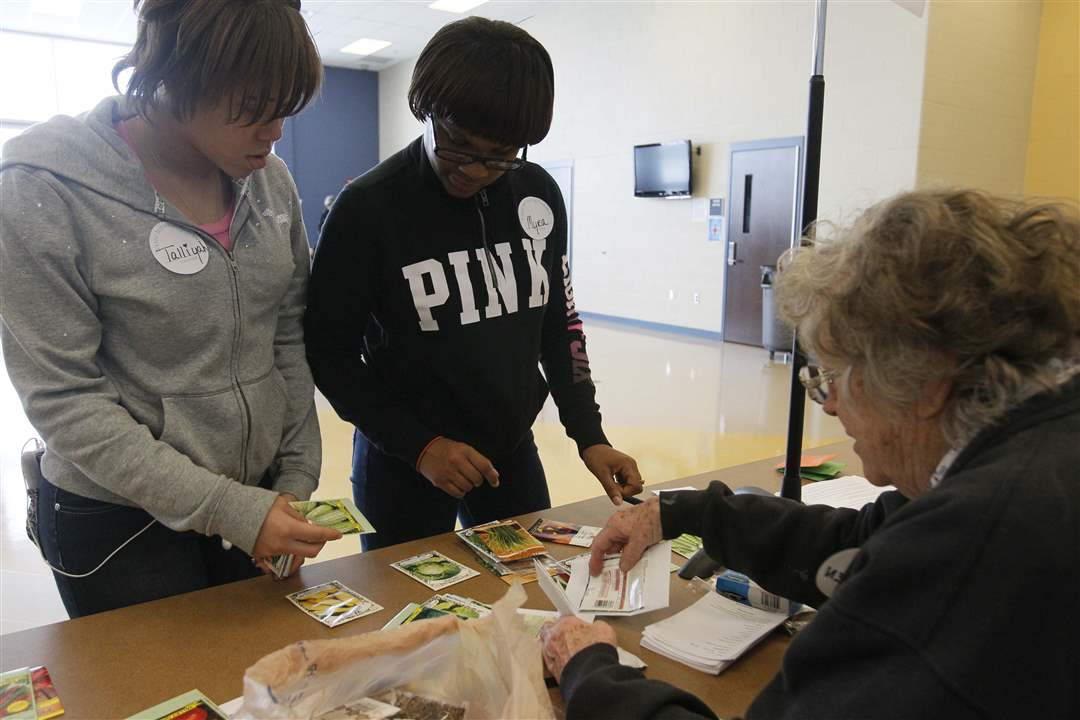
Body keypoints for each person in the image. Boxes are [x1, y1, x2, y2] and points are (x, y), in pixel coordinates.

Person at [539, 189, 1080, 719]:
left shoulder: (978, 539)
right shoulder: (1026, 447)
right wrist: (684, 512)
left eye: (838, 375)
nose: (832, 404)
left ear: (926, 381)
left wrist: (589, 673)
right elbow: (863, 545)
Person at [0, 0, 339, 618]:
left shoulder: (271, 180)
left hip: (256, 494)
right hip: (118, 519)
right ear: (178, 75)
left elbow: (286, 337)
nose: (276, 131)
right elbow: (65, 400)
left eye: (286, 110)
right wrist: (233, 511)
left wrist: (293, 481)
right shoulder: (42, 186)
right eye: (257, 109)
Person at [305, 17, 643, 550]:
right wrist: (420, 447)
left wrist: (590, 435)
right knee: (413, 613)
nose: (475, 170)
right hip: (406, 460)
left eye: (500, 155)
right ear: (426, 110)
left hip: (508, 449)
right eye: (456, 145)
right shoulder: (367, 209)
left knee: (529, 587)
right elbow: (330, 355)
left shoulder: (537, 195)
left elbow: (559, 323)